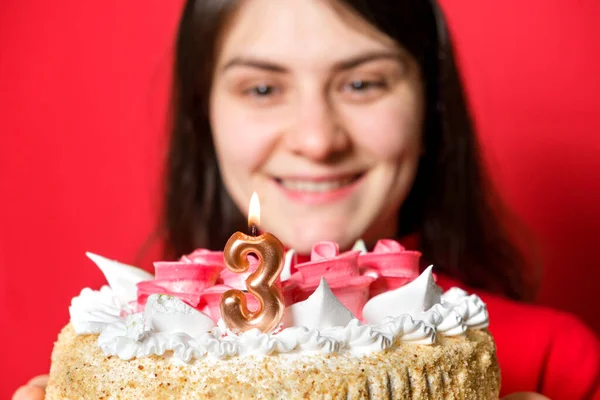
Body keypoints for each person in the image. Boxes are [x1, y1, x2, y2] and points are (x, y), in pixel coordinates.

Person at [13, 0, 598, 399]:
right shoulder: (138, 348)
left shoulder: (556, 362)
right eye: (263, 88)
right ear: (205, 117)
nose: (317, 140)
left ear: (431, 110)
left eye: (363, 83)